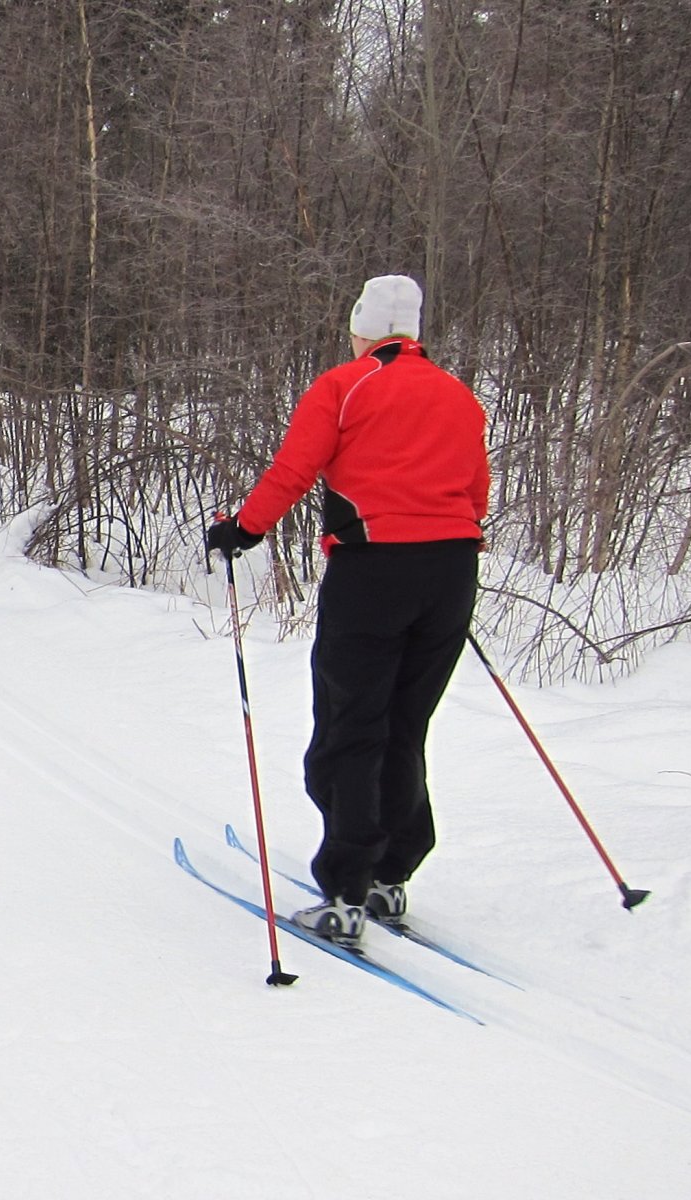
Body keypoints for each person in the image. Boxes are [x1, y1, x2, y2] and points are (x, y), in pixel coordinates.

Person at [205, 274, 489, 945]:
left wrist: (241, 530)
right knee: (404, 722)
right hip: (451, 569)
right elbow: (476, 492)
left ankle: (345, 891)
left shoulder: (343, 385)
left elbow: (294, 471)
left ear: (363, 328)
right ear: (412, 331)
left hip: (373, 573)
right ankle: (392, 876)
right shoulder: (458, 395)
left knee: (351, 726)